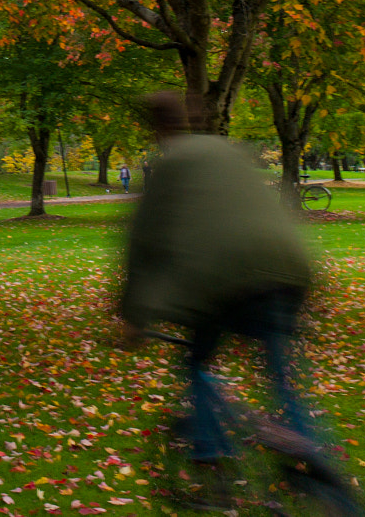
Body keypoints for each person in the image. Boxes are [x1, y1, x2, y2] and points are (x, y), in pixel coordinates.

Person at [118, 92, 321, 470]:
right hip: (289, 269)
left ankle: (211, 450)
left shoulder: (171, 165)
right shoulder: (229, 152)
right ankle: (310, 455)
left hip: (226, 280)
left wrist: (135, 318)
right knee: (280, 373)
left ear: (158, 128)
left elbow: (143, 245)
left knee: (196, 363)